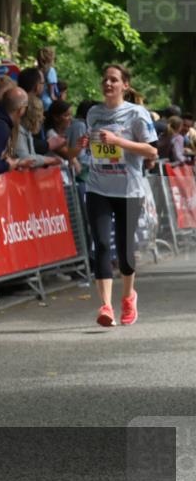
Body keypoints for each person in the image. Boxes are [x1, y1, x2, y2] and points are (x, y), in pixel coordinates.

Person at [82, 64, 158, 327]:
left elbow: (152, 152)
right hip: (97, 187)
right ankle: (105, 306)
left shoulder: (137, 114)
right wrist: (88, 147)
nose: (108, 84)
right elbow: (93, 145)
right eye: (105, 79)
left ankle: (128, 297)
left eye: (114, 80)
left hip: (128, 189)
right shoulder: (93, 113)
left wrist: (118, 142)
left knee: (125, 251)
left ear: (125, 85)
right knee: (101, 245)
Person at [13, 96, 63, 168]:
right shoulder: (17, 131)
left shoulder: (27, 132)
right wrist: (48, 160)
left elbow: (32, 155)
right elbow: (25, 160)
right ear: (32, 115)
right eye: (40, 114)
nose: (43, 118)